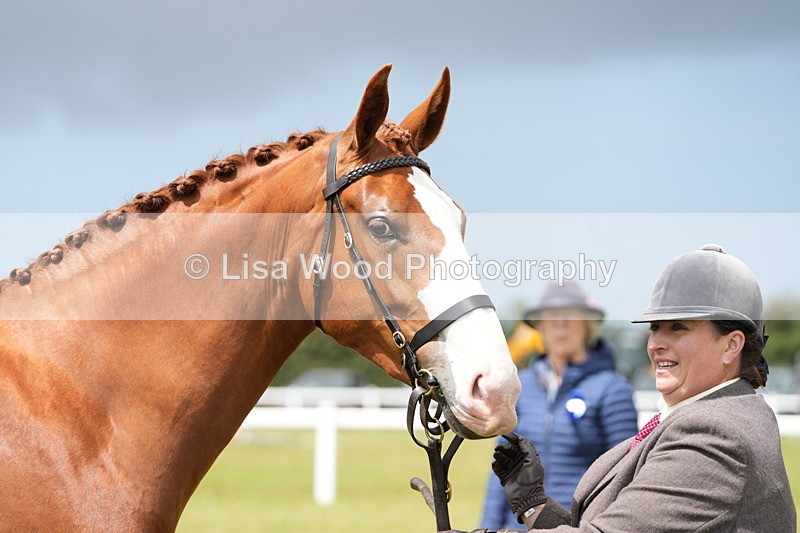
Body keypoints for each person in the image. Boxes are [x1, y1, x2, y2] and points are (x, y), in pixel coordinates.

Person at [471, 244, 797, 532]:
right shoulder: (725, 411)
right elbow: (618, 518)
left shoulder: (713, 434)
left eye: (678, 327)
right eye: (656, 328)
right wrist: (532, 503)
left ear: (731, 346)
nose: (656, 344)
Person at [480, 282, 638, 529]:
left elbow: (624, 475)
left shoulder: (612, 389)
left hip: (577, 526)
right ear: (540, 326)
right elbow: (500, 470)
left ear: (587, 324)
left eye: (570, 316)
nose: (560, 325)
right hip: (521, 525)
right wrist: (488, 526)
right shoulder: (521, 386)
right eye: (552, 316)